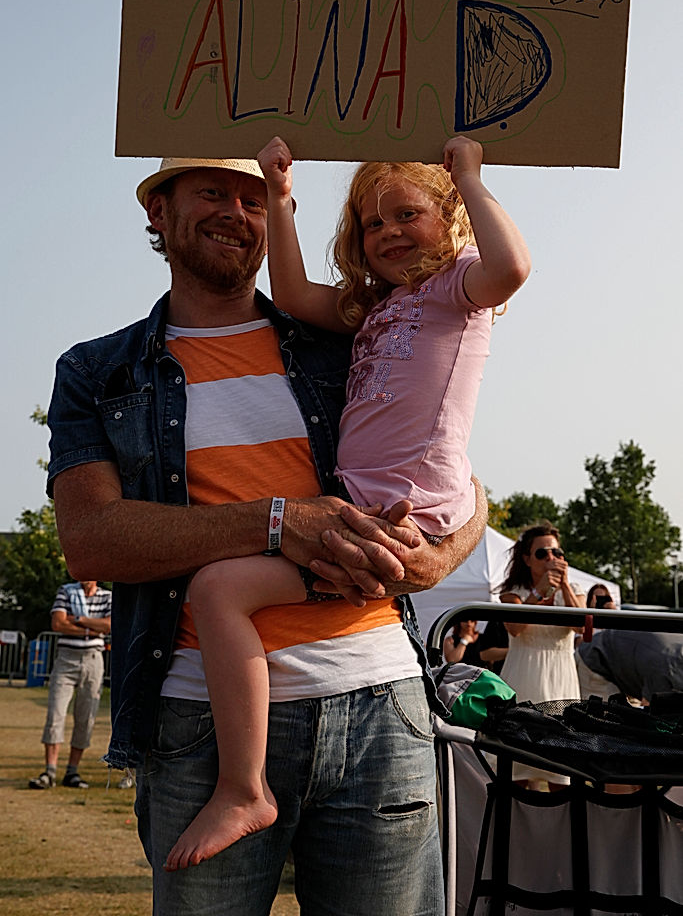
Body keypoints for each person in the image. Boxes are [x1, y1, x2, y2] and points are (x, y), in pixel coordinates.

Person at [46, 152, 491, 916]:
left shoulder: (343, 337)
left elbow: (462, 475)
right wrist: (277, 522)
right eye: (211, 193)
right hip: (200, 721)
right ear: (157, 211)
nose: (236, 213)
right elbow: (91, 540)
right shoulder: (100, 372)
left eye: (254, 200)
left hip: (380, 701)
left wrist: (438, 553)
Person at [161, 133, 530, 872]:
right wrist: (282, 195)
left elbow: (511, 265)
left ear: (451, 217)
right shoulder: (379, 308)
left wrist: (471, 177)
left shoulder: (458, 287)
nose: (388, 233)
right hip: (364, 506)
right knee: (227, 591)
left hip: (402, 512)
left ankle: (243, 787)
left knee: (218, 589)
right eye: (371, 223)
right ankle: (249, 781)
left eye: (407, 215)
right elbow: (295, 297)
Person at [497, 522, 586, 788]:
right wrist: (538, 593)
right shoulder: (513, 594)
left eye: (557, 553)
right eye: (542, 553)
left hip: (561, 681)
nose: (551, 558)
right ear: (527, 559)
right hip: (524, 676)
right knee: (515, 773)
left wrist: (565, 587)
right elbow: (514, 628)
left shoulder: (574, 591)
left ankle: (563, 830)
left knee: (562, 772)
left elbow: (581, 626)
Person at [28, 579, 112, 790]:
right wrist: (92, 628)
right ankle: (50, 771)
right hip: (66, 658)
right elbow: (57, 624)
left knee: (86, 717)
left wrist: (77, 620)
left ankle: (72, 770)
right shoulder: (66, 591)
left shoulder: (107, 596)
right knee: (55, 714)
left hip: (93, 659)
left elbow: (110, 625)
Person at [577, 629, 683, 704]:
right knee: (604, 721)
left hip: (628, 661)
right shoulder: (667, 672)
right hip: (597, 659)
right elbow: (651, 712)